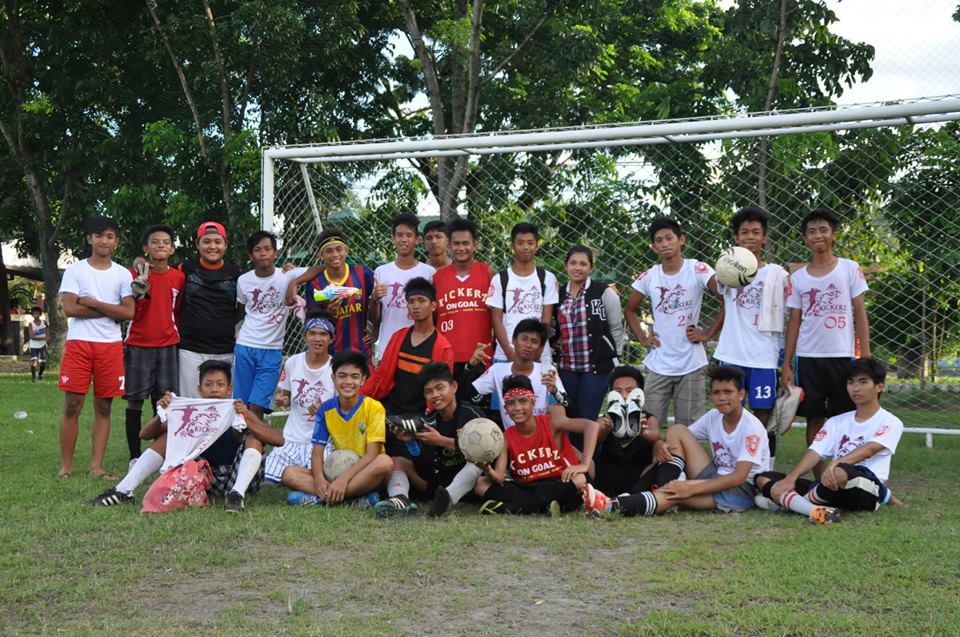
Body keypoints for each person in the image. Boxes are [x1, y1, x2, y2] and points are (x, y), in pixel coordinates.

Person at [87, 360, 283, 512]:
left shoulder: (235, 409)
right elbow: (144, 435)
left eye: (220, 384)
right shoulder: (192, 410)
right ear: (200, 390)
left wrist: (247, 416)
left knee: (254, 437)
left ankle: (236, 496)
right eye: (208, 384)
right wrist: (162, 413)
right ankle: (123, 490)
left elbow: (278, 440)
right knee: (168, 437)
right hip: (203, 477)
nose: (214, 389)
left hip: (237, 477)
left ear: (229, 389)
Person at [583, 365, 770, 517]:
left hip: (740, 490)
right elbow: (677, 439)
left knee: (673, 494)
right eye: (716, 392)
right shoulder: (714, 416)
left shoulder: (751, 428)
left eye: (728, 392)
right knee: (677, 430)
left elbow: (739, 477)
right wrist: (659, 443)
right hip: (715, 474)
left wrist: (691, 488)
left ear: (742, 394)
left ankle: (611, 506)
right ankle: (673, 480)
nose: (722, 397)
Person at [754, 357, 902, 524]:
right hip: (829, 486)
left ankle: (792, 502)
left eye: (863, 382)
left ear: (879, 386)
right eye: (851, 382)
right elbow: (815, 452)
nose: (856, 388)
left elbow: (870, 449)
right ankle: (816, 511)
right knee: (763, 478)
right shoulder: (836, 422)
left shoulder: (890, 421)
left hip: (864, 488)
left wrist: (836, 463)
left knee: (839, 471)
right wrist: (791, 478)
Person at [782, 208, 870, 452]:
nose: (817, 235)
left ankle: (843, 472)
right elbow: (794, 322)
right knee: (814, 419)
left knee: (846, 417)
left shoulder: (850, 268)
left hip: (843, 356)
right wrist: (787, 364)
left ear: (834, 235)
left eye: (823, 230)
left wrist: (866, 358)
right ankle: (819, 477)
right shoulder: (798, 278)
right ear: (805, 238)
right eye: (811, 231)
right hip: (809, 358)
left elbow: (860, 314)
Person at [57, 214, 136, 480]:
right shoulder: (76, 270)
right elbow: (69, 308)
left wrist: (91, 302)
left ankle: (96, 467)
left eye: (110, 236)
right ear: (89, 238)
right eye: (99, 235)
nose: (104, 240)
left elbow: (129, 312)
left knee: (104, 407)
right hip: (79, 344)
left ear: (116, 242)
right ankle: (66, 467)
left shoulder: (122, 274)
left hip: (110, 346)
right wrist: (110, 310)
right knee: (73, 405)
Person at [625, 216, 722, 426]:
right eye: (659, 240)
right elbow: (630, 310)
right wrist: (643, 338)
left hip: (691, 363)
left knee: (688, 428)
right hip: (659, 362)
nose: (665, 244)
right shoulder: (650, 276)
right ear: (653, 246)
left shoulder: (698, 269)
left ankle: (683, 460)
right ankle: (654, 460)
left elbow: (726, 300)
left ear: (681, 240)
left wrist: (708, 334)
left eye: (669, 238)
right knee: (648, 425)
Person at [710, 207, 788, 465]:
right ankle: (730, 462)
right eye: (744, 233)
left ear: (765, 237)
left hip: (764, 355)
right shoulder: (728, 268)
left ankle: (764, 465)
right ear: (736, 237)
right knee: (730, 409)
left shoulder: (776, 274)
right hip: (732, 353)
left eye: (756, 232)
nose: (750, 237)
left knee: (763, 412)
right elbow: (722, 295)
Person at [474, 375, 599, 515]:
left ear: (533, 403)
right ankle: (546, 506)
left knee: (580, 479)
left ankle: (510, 509)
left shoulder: (551, 422)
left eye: (523, 401)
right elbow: (500, 477)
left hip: (559, 481)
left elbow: (592, 426)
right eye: (511, 403)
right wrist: (488, 470)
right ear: (505, 408)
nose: (517, 408)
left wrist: (584, 464)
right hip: (528, 487)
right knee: (480, 483)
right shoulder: (506, 437)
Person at [374, 362, 487, 518]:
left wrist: (441, 441)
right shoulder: (429, 421)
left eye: (440, 388)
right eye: (429, 391)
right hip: (437, 485)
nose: (435, 395)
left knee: (478, 459)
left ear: (454, 386)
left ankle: (448, 497)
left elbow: (486, 450)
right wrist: (411, 441)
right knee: (396, 461)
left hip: (469, 485)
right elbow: (425, 464)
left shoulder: (472, 414)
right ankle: (400, 500)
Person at [285, 350, 394, 506]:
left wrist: (343, 480)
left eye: (354, 376)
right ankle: (353, 499)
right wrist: (319, 480)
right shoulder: (325, 410)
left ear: (363, 380)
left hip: (366, 472)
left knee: (385, 462)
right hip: (336, 470)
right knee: (290, 474)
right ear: (333, 378)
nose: (348, 381)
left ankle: (320, 499)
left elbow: (372, 455)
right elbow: (317, 453)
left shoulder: (374, 408)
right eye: (342, 376)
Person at [123, 224, 185, 465]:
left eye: (166, 242)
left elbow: (177, 310)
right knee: (135, 400)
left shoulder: (179, 277)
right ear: (146, 247)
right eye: (155, 241)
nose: (161, 245)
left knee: (165, 402)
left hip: (168, 345)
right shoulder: (133, 274)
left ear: (172, 249)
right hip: (138, 343)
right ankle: (134, 456)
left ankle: (160, 454)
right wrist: (141, 273)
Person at [234, 231, 309, 419]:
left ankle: (255, 446)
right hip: (245, 346)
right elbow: (241, 310)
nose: (263, 253)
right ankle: (242, 446)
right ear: (251, 256)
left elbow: (320, 268)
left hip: (272, 350)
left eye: (268, 249)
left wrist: (295, 282)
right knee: (241, 405)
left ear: (275, 253)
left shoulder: (287, 274)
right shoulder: (243, 280)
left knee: (258, 406)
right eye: (257, 250)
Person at [263, 312, 337, 488]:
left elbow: (342, 410)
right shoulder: (293, 362)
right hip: (292, 438)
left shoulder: (336, 367)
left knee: (326, 473)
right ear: (305, 336)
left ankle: (304, 481)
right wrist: (283, 400)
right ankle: (306, 480)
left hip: (322, 441)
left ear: (331, 338)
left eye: (323, 334)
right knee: (268, 481)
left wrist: (323, 412)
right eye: (312, 333)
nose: (317, 338)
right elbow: (286, 396)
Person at [362, 277, 454, 416]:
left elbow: (442, 392)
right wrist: (356, 398)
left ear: (433, 306)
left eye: (421, 300)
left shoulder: (443, 347)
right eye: (411, 301)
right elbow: (381, 375)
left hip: (421, 416)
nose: (415, 306)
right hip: (390, 411)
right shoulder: (398, 337)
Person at [554, 244, 624, 422]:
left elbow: (616, 326)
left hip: (596, 367)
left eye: (583, 264)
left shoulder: (604, 292)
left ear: (591, 267)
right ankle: (571, 451)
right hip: (567, 366)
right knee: (569, 415)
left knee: (587, 417)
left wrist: (615, 356)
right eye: (573, 263)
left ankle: (590, 450)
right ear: (566, 265)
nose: (577, 268)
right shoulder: (557, 294)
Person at [176, 221, 242, 398]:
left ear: (225, 245)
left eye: (217, 241)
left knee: (224, 405)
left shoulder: (236, 273)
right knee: (190, 403)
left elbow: (242, 307)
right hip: (190, 350)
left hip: (225, 350)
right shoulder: (185, 268)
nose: (212, 246)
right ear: (198, 244)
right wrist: (140, 261)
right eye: (206, 241)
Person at [467, 319, 567, 428]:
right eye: (524, 339)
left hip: (541, 440)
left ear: (541, 348)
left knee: (557, 409)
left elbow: (569, 409)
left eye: (534, 341)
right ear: (514, 340)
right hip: (512, 440)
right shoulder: (497, 370)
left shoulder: (547, 371)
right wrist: (470, 366)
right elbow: (468, 396)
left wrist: (555, 391)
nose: (528, 345)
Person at [486, 222, 558, 367]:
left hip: (539, 357)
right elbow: (496, 320)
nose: (525, 247)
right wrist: (509, 352)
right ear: (512, 246)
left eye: (530, 243)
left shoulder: (547, 278)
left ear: (536, 245)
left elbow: (546, 320)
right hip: (505, 356)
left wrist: (538, 352)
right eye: (520, 243)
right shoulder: (500, 279)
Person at [593, 366, 671, 496]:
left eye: (630, 391)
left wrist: (643, 432)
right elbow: (593, 441)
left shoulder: (648, 418)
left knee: (661, 466)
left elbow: (656, 436)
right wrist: (605, 430)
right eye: (618, 391)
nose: (624, 396)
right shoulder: (605, 419)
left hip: (639, 475)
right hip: (608, 476)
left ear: (641, 394)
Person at [433, 218, 494, 379]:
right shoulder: (437, 278)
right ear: (449, 245)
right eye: (456, 243)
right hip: (447, 357)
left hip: (481, 356)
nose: (461, 248)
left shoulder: (488, 273)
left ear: (475, 245)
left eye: (466, 243)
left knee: (478, 404)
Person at [370, 213, 436, 358]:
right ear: (393, 238)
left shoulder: (429, 273)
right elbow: (375, 319)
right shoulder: (381, 272)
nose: (404, 240)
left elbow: (434, 313)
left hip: (419, 349)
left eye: (409, 235)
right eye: (399, 235)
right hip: (388, 348)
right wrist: (374, 299)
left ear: (417, 239)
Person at [302, 228, 376, 356]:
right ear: (321, 255)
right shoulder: (315, 284)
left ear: (346, 250)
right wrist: (329, 314)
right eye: (329, 251)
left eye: (339, 249)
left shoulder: (363, 274)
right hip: (329, 354)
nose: (335, 254)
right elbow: (313, 324)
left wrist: (376, 330)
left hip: (360, 351)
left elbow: (377, 305)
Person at [26, 306, 48, 382]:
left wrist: (48, 336)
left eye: (38, 313)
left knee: (43, 362)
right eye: (34, 313)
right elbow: (32, 336)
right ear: (32, 315)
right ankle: (33, 377)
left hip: (42, 345)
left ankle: (40, 374)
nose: (36, 315)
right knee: (34, 360)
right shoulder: (31, 324)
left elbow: (48, 329)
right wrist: (43, 338)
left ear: (40, 314)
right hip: (34, 345)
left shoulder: (44, 322)